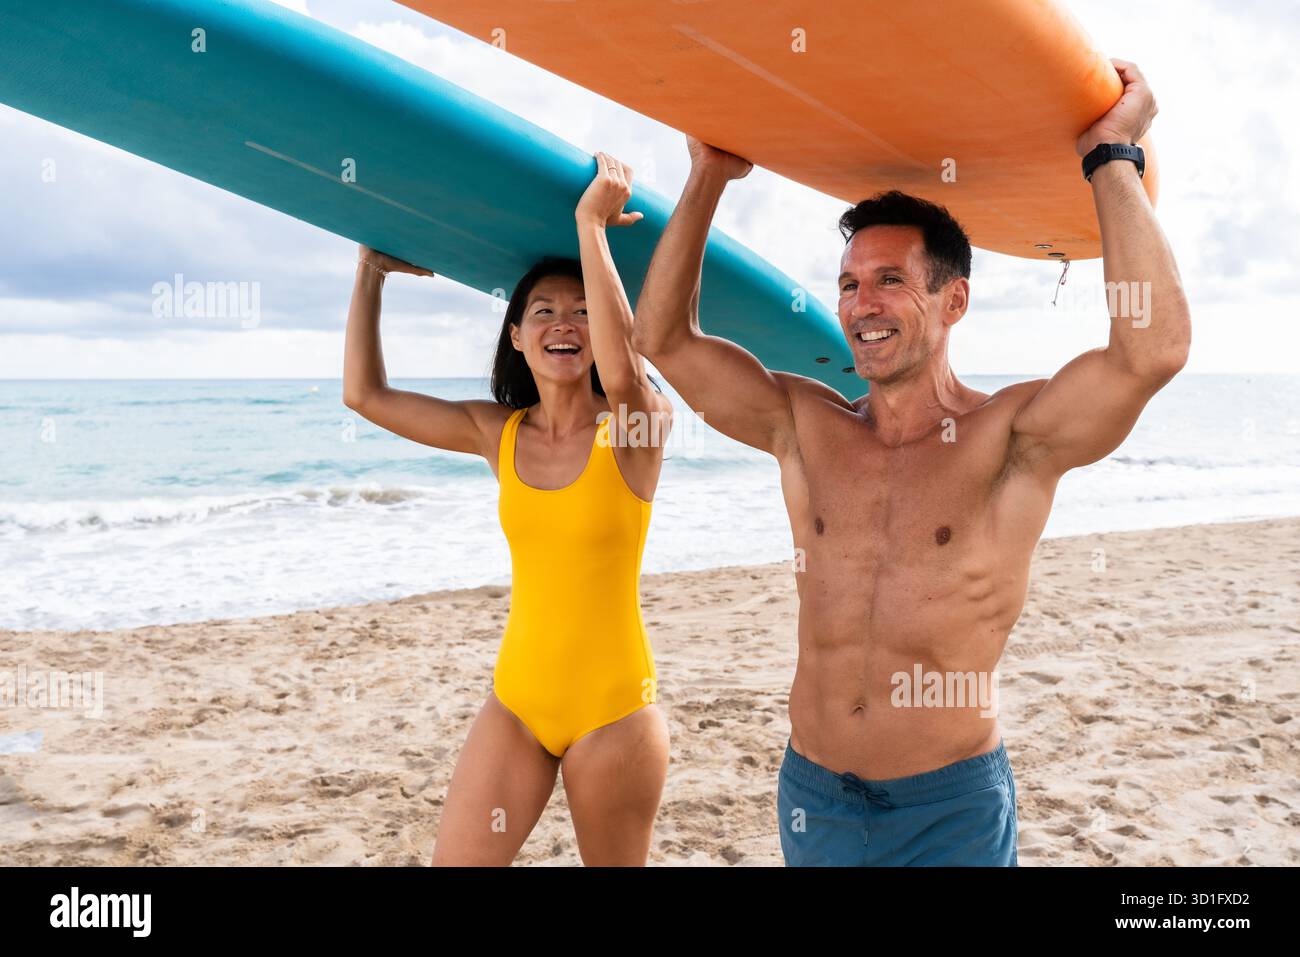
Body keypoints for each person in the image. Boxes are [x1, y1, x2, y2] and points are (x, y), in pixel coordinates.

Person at [634, 61, 1188, 865]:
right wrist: (709, 175)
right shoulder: (805, 425)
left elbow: (1152, 349)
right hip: (814, 796)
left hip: (948, 810)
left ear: (953, 300)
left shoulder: (1013, 438)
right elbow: (665, 339)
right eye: (849, 284)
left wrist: (1110, 154)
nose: (861, 305)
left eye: (890, 281)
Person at [343, 153, 673, 865]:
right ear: (517, 336)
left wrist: (593, 227)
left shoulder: (638, 430)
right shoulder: (498, 433)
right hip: (517, 703)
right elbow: (365, 395)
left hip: (614, 713)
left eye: (584, 311)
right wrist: (370, 271)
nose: (565, 323)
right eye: (544, 311)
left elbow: (624, 370)